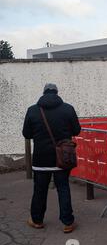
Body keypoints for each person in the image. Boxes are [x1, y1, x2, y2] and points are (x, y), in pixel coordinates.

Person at [22, 83, 81, 233]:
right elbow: (76, 130)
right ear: (56, 92)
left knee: (40, 189)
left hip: (41, 159)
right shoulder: (68, 109)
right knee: (63, 188)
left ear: (43, 93)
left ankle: (37, 220)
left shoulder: (32, 110)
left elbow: (27, 134)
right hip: (63, 158)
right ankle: (67, 222)